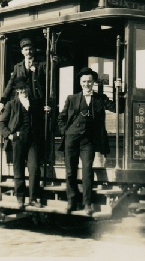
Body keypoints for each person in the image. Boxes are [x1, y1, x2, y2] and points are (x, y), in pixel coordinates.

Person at [57, 67, 118, 216]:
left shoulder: (100, 98)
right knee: (71, 171)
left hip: (88, 141)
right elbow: (61, 117)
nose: (87, 84)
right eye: (84, 81)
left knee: (87, 171)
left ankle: (87, 203)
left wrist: (120, 92)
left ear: (93, 82)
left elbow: (117, 108)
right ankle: (72, 202)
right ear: (80, 83)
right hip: (71, 138)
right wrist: (65, 131)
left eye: (89, 81)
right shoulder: (72, 98)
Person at [0, 77, 44, 209]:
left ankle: (34, 198)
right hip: (18, 141)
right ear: (17, 91)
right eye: (20, 89)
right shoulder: (11, 104)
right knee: (18, 171)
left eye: (25, 88)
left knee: (34, 168)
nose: (23, 90)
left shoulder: (34, 103)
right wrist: (9, 136)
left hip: (32, 142)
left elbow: (40, 122)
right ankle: (20, 198)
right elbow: (1, 123)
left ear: (28, 89)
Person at [0, 38, 46, 113]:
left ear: (33, 50)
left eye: (30, 49)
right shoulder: (17, 67)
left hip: (37, 103)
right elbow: (10, 84)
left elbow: (47, 83)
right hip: (22, 103)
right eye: (26, 50)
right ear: (22, 52)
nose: (28, 52)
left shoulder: (41, 65)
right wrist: (2, 101)